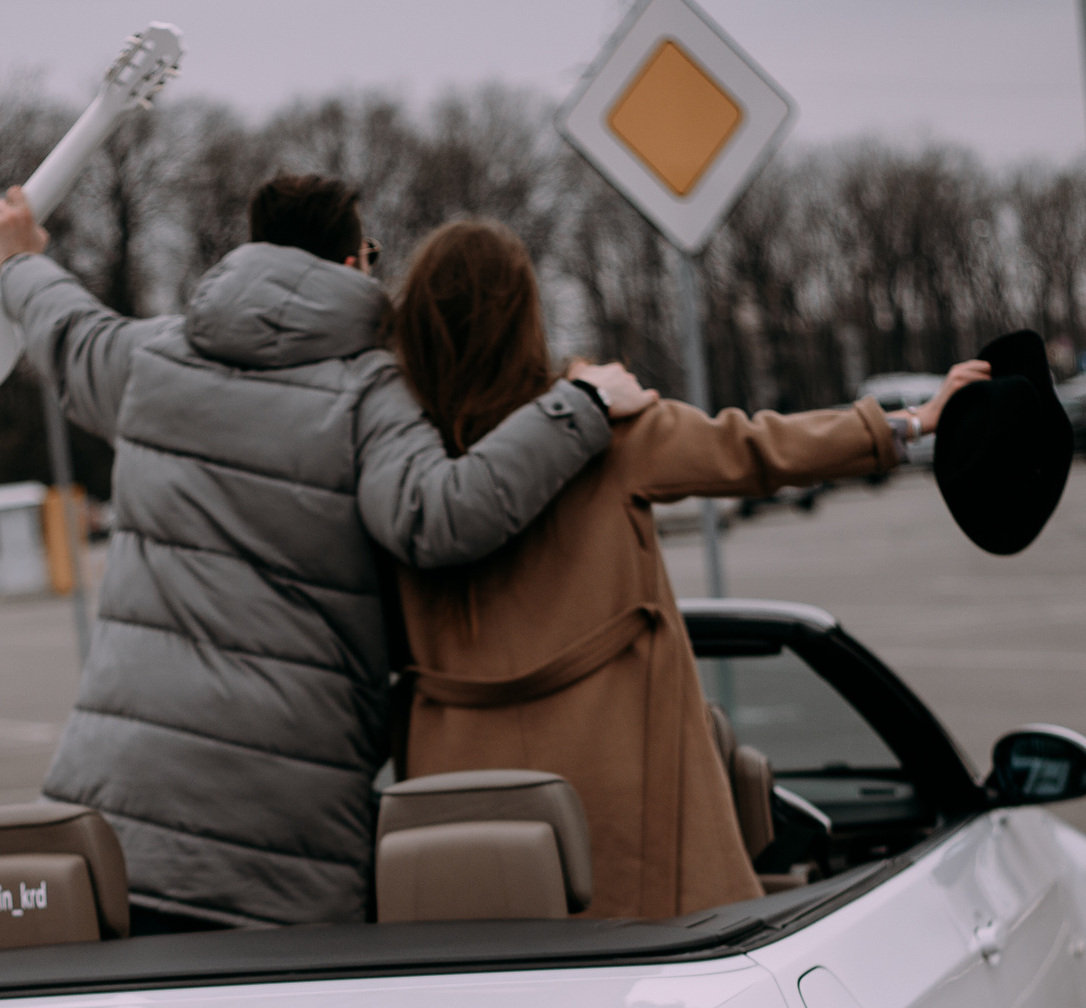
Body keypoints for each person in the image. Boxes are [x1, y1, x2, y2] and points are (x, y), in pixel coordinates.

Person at [0, 175, 654, 932]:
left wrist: (18, 257)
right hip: (278, 840)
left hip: (117, 825)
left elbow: (66, 328)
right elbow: (437, 515)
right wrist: (581, 406)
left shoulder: (152, 360)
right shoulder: (369, 391)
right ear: (354, 261)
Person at [384, 220, 986, 921]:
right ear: (526, 320)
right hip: (613, 779)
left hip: (450, 789)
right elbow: (756, 449)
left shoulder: (400, 470)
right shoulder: (604, 430)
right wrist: (908, 422)